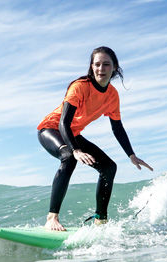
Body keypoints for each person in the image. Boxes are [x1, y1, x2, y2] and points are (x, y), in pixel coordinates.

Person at [37, 46, 153, 231]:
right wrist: (75, 151)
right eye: (97, 64)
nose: (101, 69)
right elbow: (63, 123)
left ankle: (101, 219)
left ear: (114, 67)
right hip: (51, 129)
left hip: (72, 134)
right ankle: (52, 218)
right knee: (68, 158)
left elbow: (117, 128)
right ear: (91, 67)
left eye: (106, 64)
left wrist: (131, 155)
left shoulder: (112, 95)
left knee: (109, 167)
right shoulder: (80, 87)